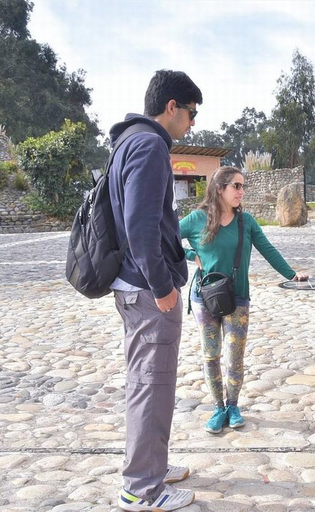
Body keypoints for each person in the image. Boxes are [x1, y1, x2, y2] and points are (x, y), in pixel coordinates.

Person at [108, 70, 201, 511]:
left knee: (150, 382)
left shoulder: (130, 142)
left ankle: (151, 468)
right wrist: (164, 287)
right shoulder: (147, 146)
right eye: (191, 113)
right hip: (148, 290)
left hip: (134, 286)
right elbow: (140, 228)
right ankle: (142, 489)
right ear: (171, 107)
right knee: (151, 383)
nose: (192, 123)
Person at [180, 166, 307, 434]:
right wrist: (191, 256)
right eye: (236, 186)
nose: (241, 191)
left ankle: (233, 405)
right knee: (211, 355)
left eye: (242, 186)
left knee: (235, 357)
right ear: (219, 189)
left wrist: (291, 273)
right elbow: (163, 239)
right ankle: (218, 408)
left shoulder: (246, 221)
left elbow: (268, 249)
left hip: (238, 297)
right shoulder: (196, 219)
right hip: (204, 298)